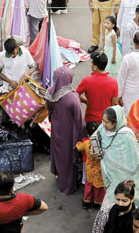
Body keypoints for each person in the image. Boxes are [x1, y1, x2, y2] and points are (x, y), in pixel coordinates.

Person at [45, 66, 86, 195]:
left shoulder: (50, 92)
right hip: (69, 131)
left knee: (58, 153)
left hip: (57, 127)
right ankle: (68, 185)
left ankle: (58, 174)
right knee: (68, 158)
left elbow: (49, 110)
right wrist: (82, 135)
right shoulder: (72, 98)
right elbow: (79, 120)